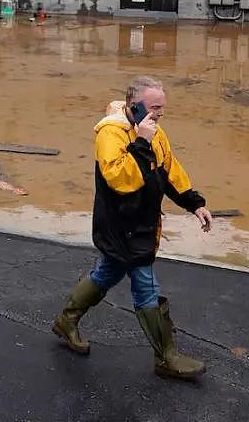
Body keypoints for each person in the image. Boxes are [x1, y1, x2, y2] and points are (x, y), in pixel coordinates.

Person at [51, 75, 213, 380]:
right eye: (154, 107)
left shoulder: (156, 132)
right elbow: (122, 180)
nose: (160, 113)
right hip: (120, 227)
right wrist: (141, 141)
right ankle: (166, 357)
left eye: (163, 107)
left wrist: (195, 203)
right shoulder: (110, 134)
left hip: (142, 225)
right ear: (133, 105)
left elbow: (170, 170)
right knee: (146, 287)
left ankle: (66, 321)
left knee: (107, 272)